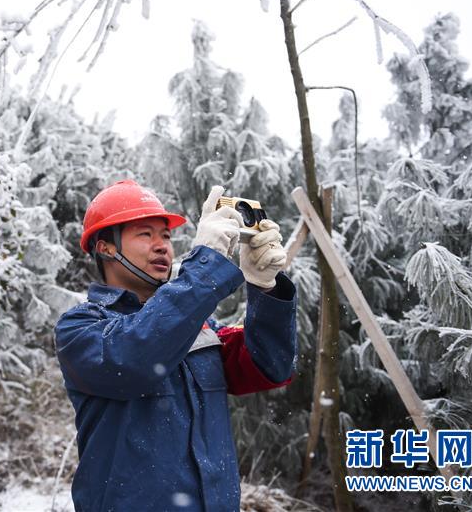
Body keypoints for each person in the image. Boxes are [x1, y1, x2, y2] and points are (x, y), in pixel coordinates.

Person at [55, 179, 297, 512]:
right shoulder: (80, 328)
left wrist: (265, 288)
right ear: (105, 247)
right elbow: (136, 355)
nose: (162, 246)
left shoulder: (196, 325)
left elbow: (270, 366)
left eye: (166, 236)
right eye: (145, 234)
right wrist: (206, 264)